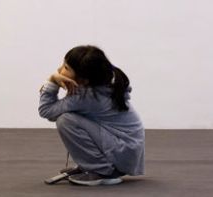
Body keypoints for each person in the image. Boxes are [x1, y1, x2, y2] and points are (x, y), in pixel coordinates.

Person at [38, 45, 145, 186]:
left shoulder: (86, 96)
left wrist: (52, 81)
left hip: (123, 151)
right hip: (127, 149)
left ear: (84, 80)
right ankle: (91, 165)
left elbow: (46, 111)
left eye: (66, 68)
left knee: (66, 120)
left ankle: (103, 171)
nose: (59, 70)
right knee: (70, 118)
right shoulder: (102, 85)